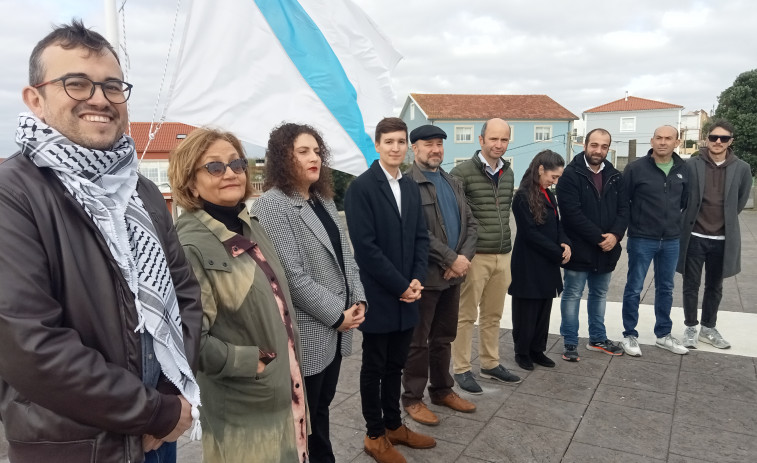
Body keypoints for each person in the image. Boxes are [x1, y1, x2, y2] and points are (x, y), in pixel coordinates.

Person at [0, 20, 202, 463]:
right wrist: (153, 411)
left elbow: (184, 292)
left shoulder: (141, 190)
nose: (99, 98)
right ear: (35, 99)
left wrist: (172, 394)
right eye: (76, 83)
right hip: (80, 445)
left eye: (112, 86)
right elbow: (28, 343)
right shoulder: (12, 193)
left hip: (159, 431)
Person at [169, 128, 308, 462]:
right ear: (191, 181)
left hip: (286, 392)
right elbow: (188, 340)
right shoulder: (191, 246)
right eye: (214, 167)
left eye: (236, 164)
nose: (230, 172)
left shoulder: (249, 224)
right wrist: (250, 362)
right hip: (246, 409)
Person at [252, 123, 366, 462]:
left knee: (322, 408)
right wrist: (338, 315)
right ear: (283, 158)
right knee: (306, 418)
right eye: (303, 151)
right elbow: (292, 277)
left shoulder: (323, 201)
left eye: (317, 151)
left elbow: (348, 258)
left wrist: (358, 299)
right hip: (311, 330)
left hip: (336, 328)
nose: (314, 157)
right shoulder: (272, 206)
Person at [345, 117, 433, 463]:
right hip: (380, 294)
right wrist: (399, 285)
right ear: (377, 146)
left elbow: (421, 238)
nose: (395, 147)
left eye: (400, 141)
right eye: (389, 142)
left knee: (397, 362)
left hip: (408, 292)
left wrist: (415, 280)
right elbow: (365, 248)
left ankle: (395, 426)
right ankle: (374, 434)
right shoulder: (362, 188)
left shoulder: (410, 186)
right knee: (375, 365)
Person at [401, 125, 478, 426]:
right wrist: (450, 258)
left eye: (439, 144)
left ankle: (443, 389)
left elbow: (471, 224)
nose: (435, 150)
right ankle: (412, 398)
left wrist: (462, 260)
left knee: (444, 337)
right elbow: (415, 231)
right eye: (428, 144)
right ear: (414, 149)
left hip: (453, 276)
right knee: (418, 341)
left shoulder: (452, 181)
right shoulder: (408, 183)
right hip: (426, 277)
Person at [449, 118, 521, 395]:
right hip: (475, 256)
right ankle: (462, 369)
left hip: (502, 256)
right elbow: (455, 218)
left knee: (493, 315)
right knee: (465, 315)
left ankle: (490, 364)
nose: (499, 145)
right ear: (481, 140)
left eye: (504, 140)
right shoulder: (461, 172)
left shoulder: (509, 173)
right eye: (493, 139)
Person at [677, 120, 752, 349]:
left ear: (731, 141)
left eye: (724, 138)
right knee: (691, 284)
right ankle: (690, 327)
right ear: (706, 139)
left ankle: (708, 327)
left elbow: (739, 202)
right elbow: (683, 197)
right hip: (695, 236)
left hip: (722, 239)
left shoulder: (742, 168)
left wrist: (723, 222)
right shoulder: (691, 165)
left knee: (715, 286)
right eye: (713, 137)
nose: (718, 142)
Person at [556, 129, 628, 362]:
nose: (598, 150)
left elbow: (624, 210)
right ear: (584, 145)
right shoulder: (570, 175)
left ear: (608, 148)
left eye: (604, 146)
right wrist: (600, 238)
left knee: (599, 294)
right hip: (579, 247)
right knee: (573, 294)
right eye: (594, 145)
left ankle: (597, 338)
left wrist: (615, 235)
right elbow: (571, 215)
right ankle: (569, 342)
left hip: (607, 250)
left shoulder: (616, 176)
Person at [620, 125, 689, 357]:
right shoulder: (635, 169)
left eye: (668, 138)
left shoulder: (684, 169)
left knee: (666, 288)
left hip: (671, 240)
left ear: (676, 142)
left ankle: (663, 335)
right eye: (658, 138)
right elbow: (623, 202)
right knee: (634, 288)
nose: (662, 142)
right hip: (642, 238)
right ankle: (629, 334)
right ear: (651, 140)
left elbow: (685, 202)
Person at [509, 150, 571, 371]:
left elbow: (558, 222)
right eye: (553, 177)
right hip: (529, 263)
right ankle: (522, 351)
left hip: (547, 262)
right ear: (541, 169)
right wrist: (556, 251)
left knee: (544, 309)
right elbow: (530, 233)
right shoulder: (523, 196)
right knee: (526, 310)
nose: (554, 182)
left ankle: (537, 349)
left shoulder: (548, 194)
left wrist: (564, 242)